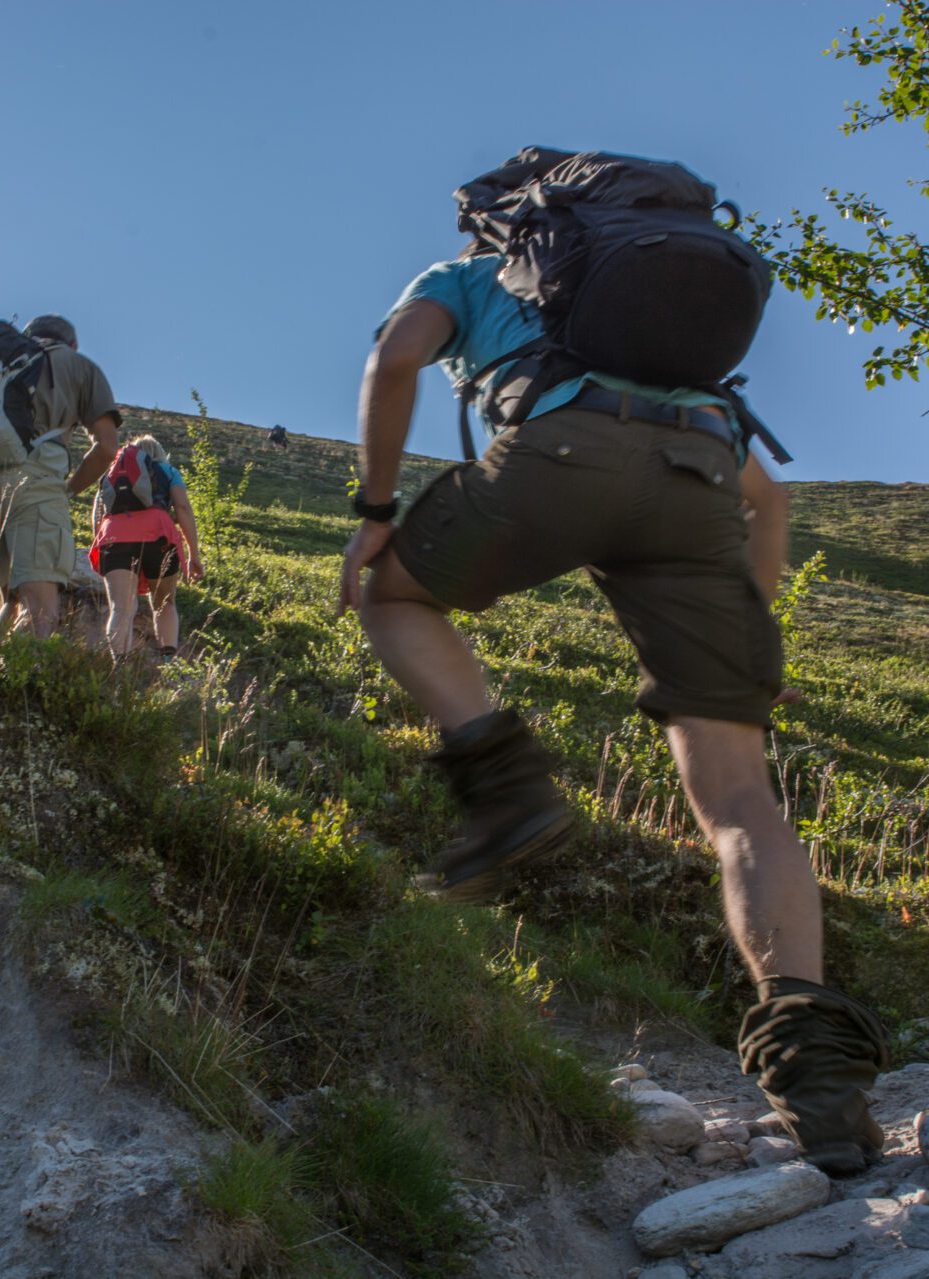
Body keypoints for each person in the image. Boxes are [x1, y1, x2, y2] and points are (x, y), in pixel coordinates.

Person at [337, 233, 889, 1175]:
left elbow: (393, 360)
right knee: (739, 800)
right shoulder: (673, 352)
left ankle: (503, 782)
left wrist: (377, 511)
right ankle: (821, 1085)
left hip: (560, 453)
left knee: (389, 593)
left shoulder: (467, 275)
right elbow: (772, 501)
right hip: (704, 478)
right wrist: (755, 632)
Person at [0, 314, 119, 638]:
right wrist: (67, 490)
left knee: (5, 601)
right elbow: (108, 447)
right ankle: (17, 687)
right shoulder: (77, 365)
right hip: (33, 482)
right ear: (71, 344)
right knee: (40, 614)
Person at [89, 434, 201, 659]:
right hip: (158, 534)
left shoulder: (113, 472)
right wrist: (194, 554)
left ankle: (119, 668)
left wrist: (104, 545)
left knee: (121, 608)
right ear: (159, 453)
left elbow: (97, 515)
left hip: (115, 535)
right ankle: (168, 660)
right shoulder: (168, 471)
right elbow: (183, 507)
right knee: (165, 603)